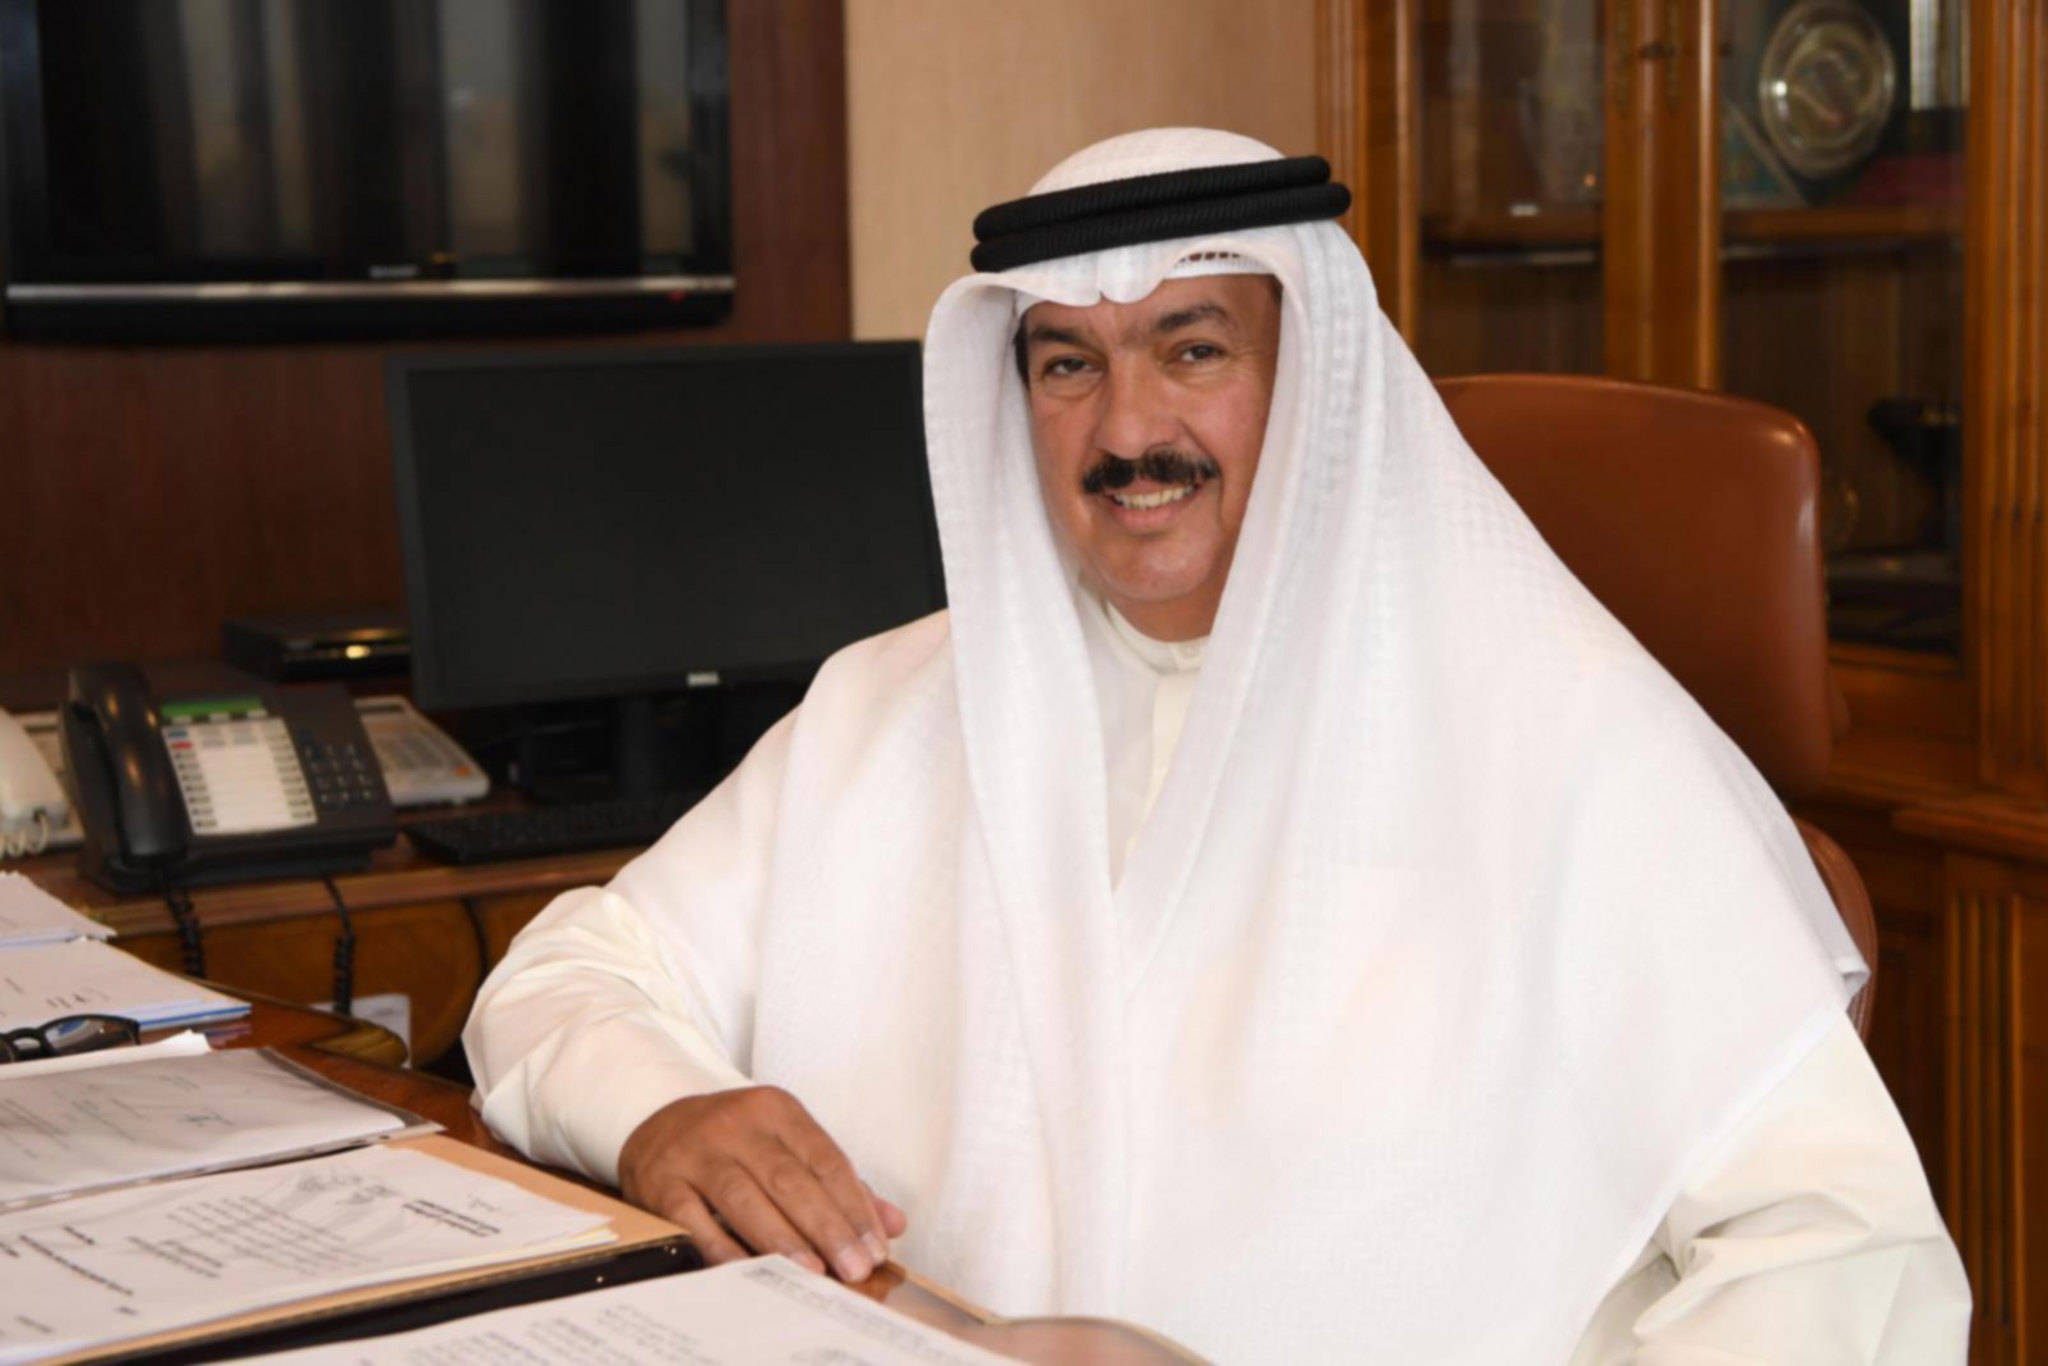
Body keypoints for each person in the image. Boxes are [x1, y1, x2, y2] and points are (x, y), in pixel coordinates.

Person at [465, 129, 1970, 1362]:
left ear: (1314, 384)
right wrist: (662, 1109)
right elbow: (566, 976)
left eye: (1192, 351)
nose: (1127, 431)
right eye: (1068, 364)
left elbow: (1843, 1247)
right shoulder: (894, 703)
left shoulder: (1563, 731)